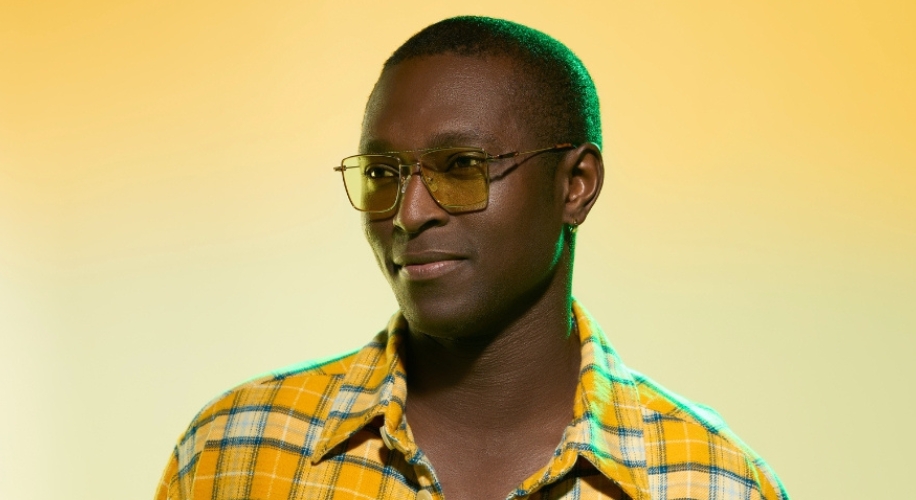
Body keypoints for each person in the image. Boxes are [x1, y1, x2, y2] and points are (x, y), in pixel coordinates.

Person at [156, 16, 789, 500]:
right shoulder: (234, 455)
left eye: (462, 167)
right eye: (383, 172)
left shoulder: (711, 482)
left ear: (577, 186)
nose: (407, 213)